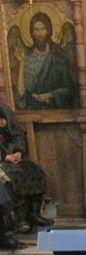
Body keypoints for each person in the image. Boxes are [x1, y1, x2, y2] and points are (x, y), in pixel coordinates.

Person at [0, 101, 52, 237]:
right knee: (13, 174)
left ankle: (33, 215)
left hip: (11, 155)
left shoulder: (3, 109)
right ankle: (20, 221)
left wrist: (18, 152)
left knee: (34, 171)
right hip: (2, 159)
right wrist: (5, 157)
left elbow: (17, 133)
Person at [14, 12, 77, 110]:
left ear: (48, 31)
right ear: (32, 33)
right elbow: (21, 93)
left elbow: (69, 89)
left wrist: (50, 95)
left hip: (56, 110)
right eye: (36, 30)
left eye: (43, 29)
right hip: (33, 110)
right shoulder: (28, 57)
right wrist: (22, 63)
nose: (39, 34)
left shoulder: (59, 56)